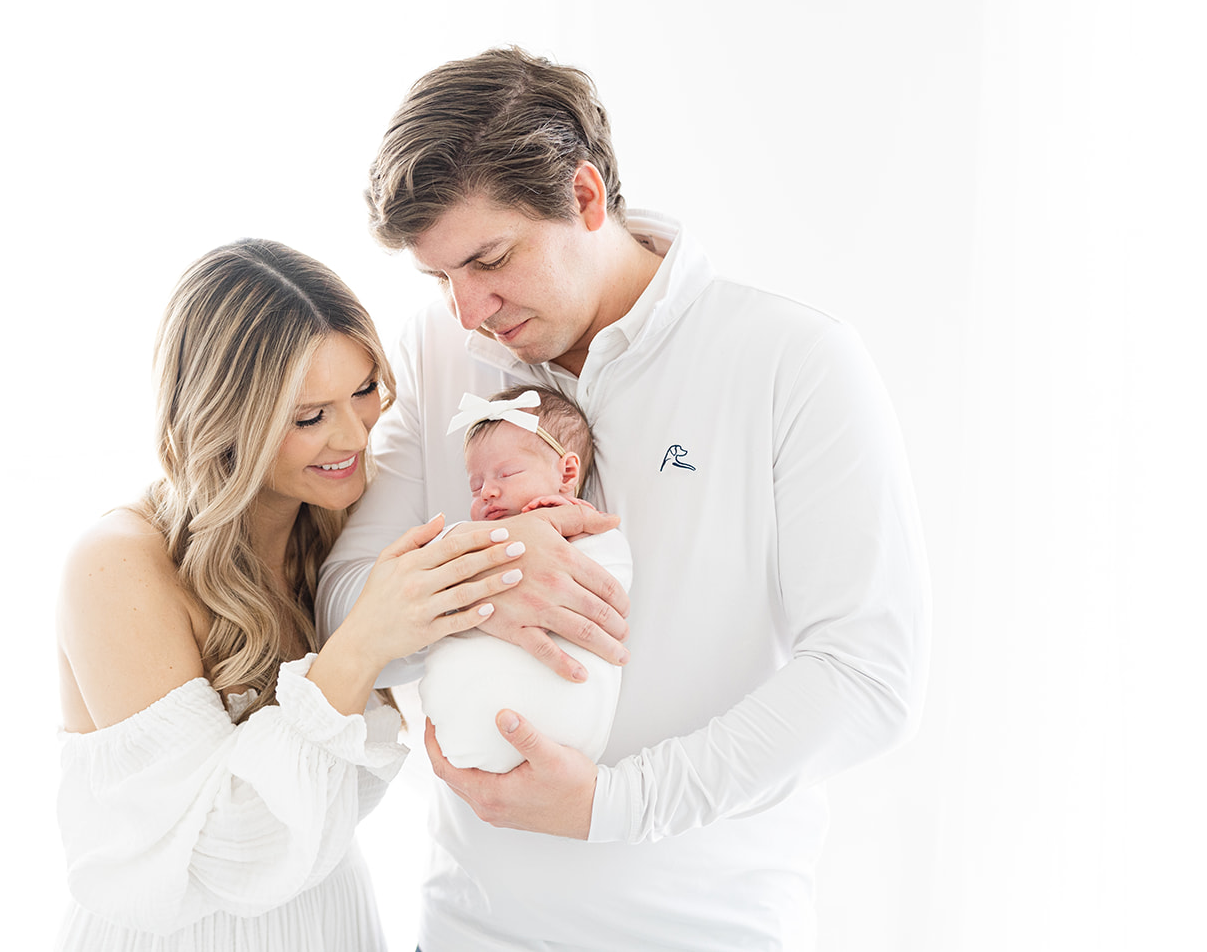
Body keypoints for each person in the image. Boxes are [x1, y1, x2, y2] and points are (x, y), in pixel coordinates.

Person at [317, 47, 931, 951]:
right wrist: (481, 579)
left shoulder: (791, 363)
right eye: (440, 278)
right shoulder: (437, 352)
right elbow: (344, 603)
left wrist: (616, 806)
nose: (467, 311)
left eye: (489, 259)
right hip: (465, 930)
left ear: (588, 197)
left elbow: (869, 674)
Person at [53, 239, 553, 952]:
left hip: (330, 921)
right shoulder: (118, 566)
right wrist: (360, 643)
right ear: (226, 419)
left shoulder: (349, 527)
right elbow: (225, 850)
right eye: (309, 416)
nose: (354, 435)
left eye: (364, 390)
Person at [420, 385, 633, 774]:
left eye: (507, 473)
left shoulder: (592, 535)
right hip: (467, 722)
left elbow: (613, 577)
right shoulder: (467, 539)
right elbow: (426, 573)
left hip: (568, 725)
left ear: (567, 473)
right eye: (476, 485)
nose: (488, 491)